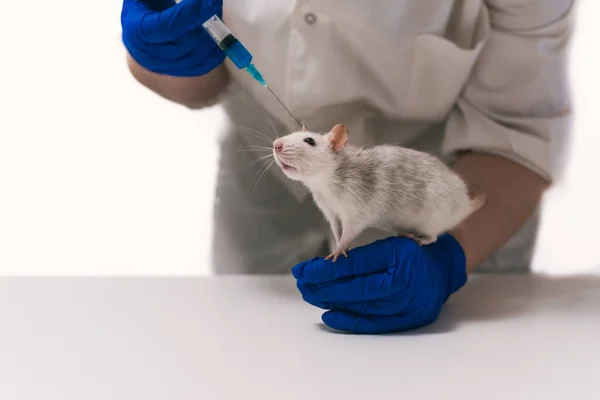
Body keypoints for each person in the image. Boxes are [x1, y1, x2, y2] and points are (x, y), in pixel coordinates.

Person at [121, 0, 574, 333]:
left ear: (336, 143)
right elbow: (201, 84)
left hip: (444, 176)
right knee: (252, 351)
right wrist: (162, 58)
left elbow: (517, 128)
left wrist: (449, 257)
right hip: (263, 184)